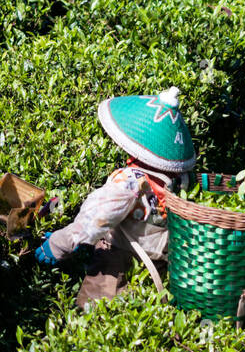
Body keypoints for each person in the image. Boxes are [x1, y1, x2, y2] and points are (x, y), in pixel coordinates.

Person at [35, 86, 196, 308]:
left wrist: (60, 244)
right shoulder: (182, 181)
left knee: (92, 323)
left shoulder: (129, 181)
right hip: (155, 271)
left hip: (114, 270)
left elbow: (96, 219)